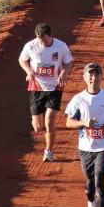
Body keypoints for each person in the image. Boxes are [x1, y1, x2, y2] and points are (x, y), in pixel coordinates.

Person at [65, 62, 104, 207]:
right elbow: (68, 122)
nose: (93, 78)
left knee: (99, 178)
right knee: (90, 183)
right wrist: (83, 123)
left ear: (101, 77)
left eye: (96, 74)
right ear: (84, 77)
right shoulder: (78, 99)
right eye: (90, 74)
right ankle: (91, 204)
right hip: (85, 147)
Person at [18, 23, 74, 162]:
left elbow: (68, 63)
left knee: (50, 120)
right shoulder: (31, 45)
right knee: (38, 127)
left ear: (51, 35)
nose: (41, 43)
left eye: (44, 40)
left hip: (55, 87)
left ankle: (48, 151)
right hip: (36, 87)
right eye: (39, 39)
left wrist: (64, 74)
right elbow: (22, 60)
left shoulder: (61, 46)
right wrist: (29, 71)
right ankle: (38, 123)